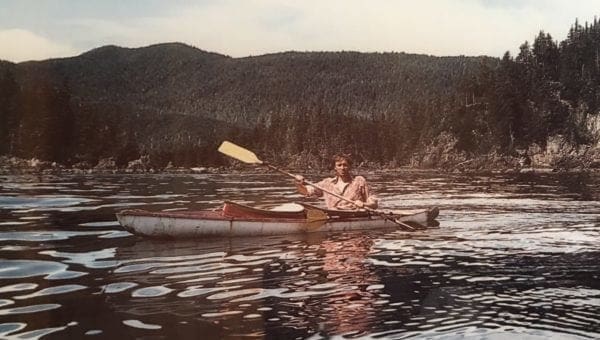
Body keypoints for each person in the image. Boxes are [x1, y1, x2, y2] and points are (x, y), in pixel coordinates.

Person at [294, 154, 378, 210]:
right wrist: (298, 183)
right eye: (339, 165)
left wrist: (363, 204)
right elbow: (305, 192)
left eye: (345, 165)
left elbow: (374, 205)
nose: (342, 168)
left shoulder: (359, 181)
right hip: (334, 215)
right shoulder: (327, 183)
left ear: (350, 167)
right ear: (335, 167)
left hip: (356, 217)